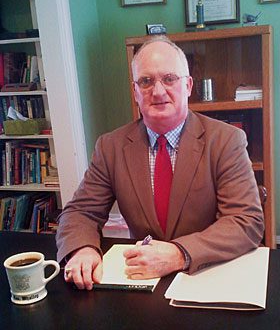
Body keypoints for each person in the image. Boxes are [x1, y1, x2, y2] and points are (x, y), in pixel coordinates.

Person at [56, 35, 264, 290]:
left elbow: (246, 220)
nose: (157, 91)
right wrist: (83, 248)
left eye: (169, 79)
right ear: (135, 92)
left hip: (206, 276)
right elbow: (80, 212)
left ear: (187, 86)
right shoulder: (111, 147)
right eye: (146, 81)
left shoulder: (226, 140)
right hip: (141, 284)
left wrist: (179, 253)